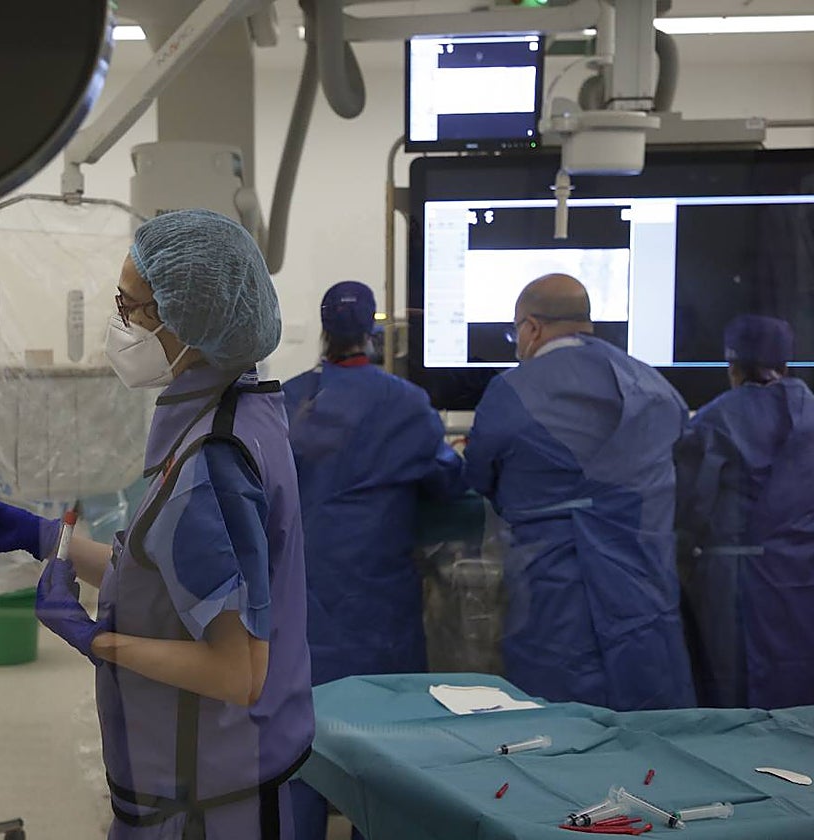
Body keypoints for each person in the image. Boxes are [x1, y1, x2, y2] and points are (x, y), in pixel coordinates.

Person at [0, 209, 314, 839]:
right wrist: (44, 538)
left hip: (210, 796)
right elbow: (163, 575)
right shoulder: (236, 409)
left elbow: (236, 671)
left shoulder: (212, 460)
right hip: (201, 778)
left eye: (131, 306)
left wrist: (97, 641)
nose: (120, 322)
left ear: (188, 320)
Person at [282, 281, 466, 840]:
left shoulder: (289, 400)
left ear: (322, 331)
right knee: (384, 742)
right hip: (377, 604)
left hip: (301, 601)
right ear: (374, 332)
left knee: (299, 741)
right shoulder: (404, 403)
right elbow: (446, 481)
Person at [464, 273, 695, 711]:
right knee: (650, 716)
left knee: (560, 718)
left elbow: (477, 473)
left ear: (532, 327)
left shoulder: (512, 391)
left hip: (555, 589)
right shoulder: (652, 385)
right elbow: (683, 461)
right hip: (642, 585)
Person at [675, 315, 814, 709]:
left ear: (732, 366)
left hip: (733, 580)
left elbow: (692, 506)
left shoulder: (714, 420)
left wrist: (680, 551)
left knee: (733, 687)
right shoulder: (810, 412)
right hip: (802, 573)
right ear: (786, 362)